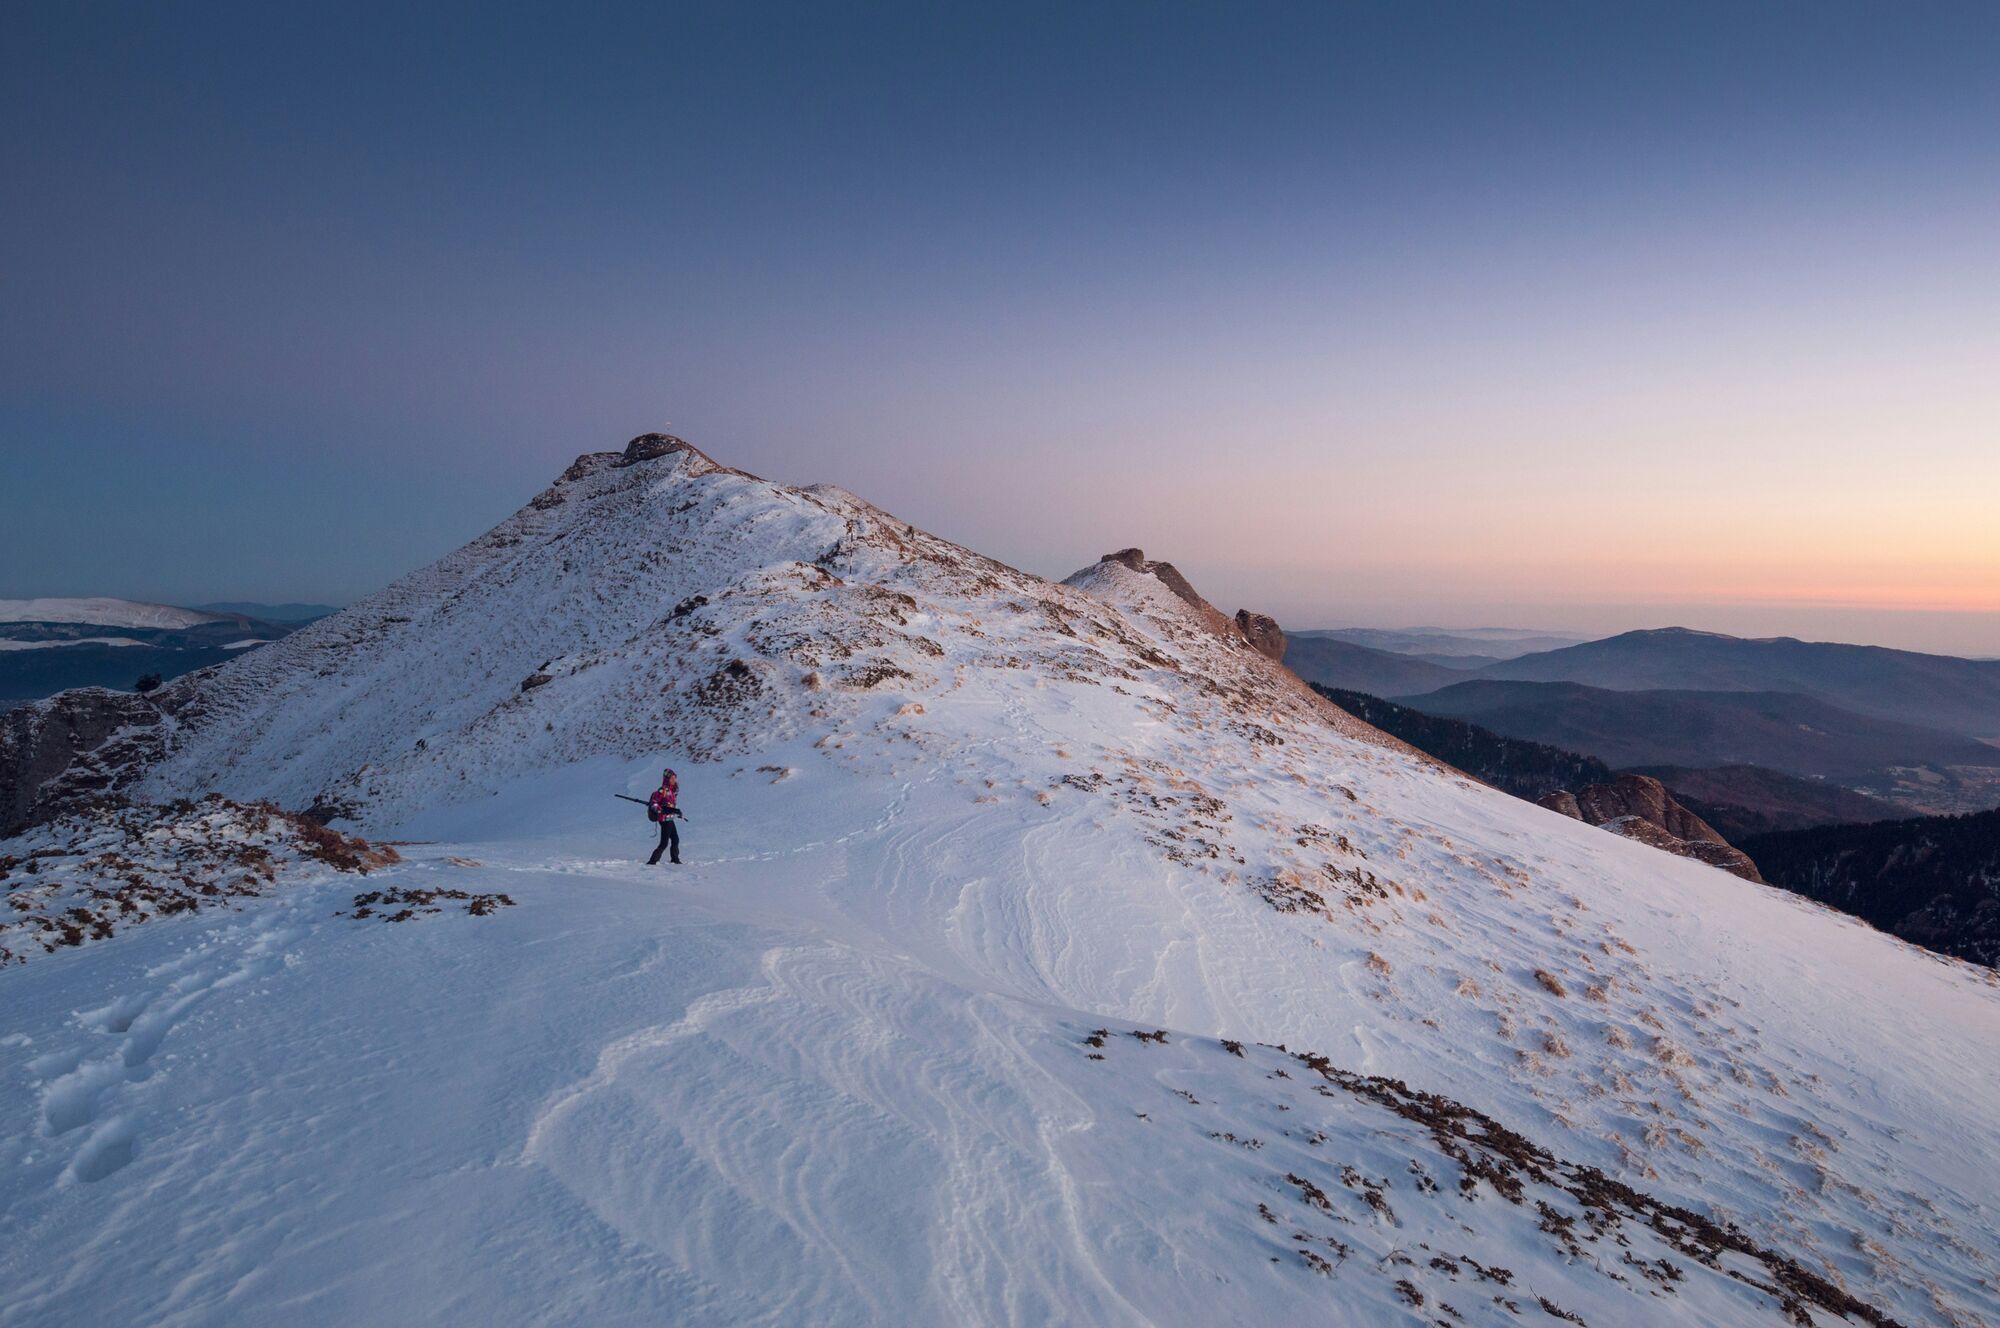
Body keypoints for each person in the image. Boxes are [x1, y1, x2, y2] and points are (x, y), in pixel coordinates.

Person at [646, 769, 684, 865]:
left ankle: (675, 859)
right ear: (667, 779)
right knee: (664, 843)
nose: (674, 780)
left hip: (670, 818)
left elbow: (670, 805)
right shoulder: (662, 790)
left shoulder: (672, 791)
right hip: (664, 819)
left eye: (675, 778)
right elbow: (654, 803)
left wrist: (676, 812)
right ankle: (653, 861)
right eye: (672, 778)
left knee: (675, 840)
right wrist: (661, 810)